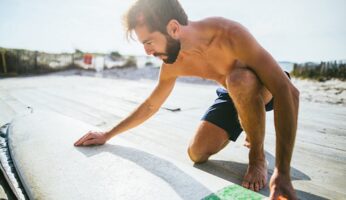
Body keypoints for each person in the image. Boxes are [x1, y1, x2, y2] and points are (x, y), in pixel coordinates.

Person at [74, 0, 299, 199]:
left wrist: (283, 172)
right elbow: (152, 104)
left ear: (173, 28)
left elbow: (288, 92)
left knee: (239, 79)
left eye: (149, 42)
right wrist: (107, 134)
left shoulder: (229, 34)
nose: (147, 52)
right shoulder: (174, 62)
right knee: (196, 153)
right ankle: (249, 125)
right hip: (231, 93)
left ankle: (257, 155)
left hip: (264, 87)